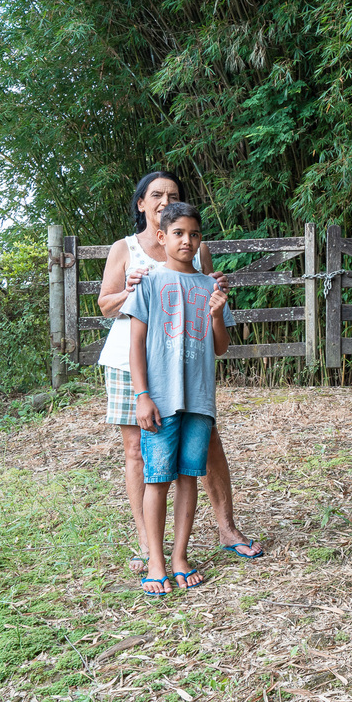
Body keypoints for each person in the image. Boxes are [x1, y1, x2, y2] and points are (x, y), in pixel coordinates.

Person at [97, 172, 263, 571]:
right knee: (139, 452)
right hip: (132, 361)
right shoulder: (125, 249)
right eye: (155, 194)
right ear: (142, 203)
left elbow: (207, 294)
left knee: (205, 445)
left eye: (171, 194)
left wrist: (217, 291)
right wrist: (131, 289)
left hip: (188, 365)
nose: (162, 200)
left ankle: (226, 528)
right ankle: (148, 545)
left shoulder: (194, 249)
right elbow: (105, 305)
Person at [124, 202, 235, 596]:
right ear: (161, 237)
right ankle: (155, 559)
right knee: (157, 480)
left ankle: (179, 556)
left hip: (200, 401)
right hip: (160, 400)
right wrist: (142, 396)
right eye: (178, 234)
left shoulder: (211, 286)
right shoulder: (149, 282)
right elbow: (135, 344)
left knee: (190, 476)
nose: (187, 241)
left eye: (194, 235)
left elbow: (220, 347)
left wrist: (218, 315)